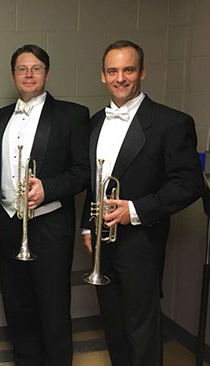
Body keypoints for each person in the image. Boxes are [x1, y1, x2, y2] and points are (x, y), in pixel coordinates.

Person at [81, 40, 204, 366]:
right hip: (103, 245)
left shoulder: (171, 122)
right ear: (103, 77)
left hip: (141, 245)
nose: (120, 78)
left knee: (142, 333)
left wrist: (135, 209)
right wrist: (86, 227)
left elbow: (189, 183)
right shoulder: (95, 122)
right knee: (114, 329)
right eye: (113, 71)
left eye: (128, 69)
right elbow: (96, 181)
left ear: (142, 72)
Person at [0, 44, 90, 366]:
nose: (29, 74)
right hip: (8, 226)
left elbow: (83, 173)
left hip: (49, 226)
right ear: (13, 75)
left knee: (53, 305)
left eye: (36, 68)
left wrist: (48, 188)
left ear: (47, 73)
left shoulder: (72, 115)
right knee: (17, 307)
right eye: (22, 69)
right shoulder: (0, 117)